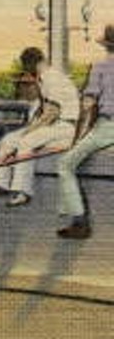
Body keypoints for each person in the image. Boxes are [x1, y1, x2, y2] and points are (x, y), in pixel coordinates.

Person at [0, 47, 79, 207]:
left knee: (26, 142)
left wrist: (28, 132)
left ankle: (22, 191)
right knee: (8, 139)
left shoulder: (53, 78)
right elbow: (42, 114)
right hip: (52, 127)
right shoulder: (43, 79)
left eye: (27, 66)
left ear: (33, 63)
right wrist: (26, 131)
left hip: (65, 127)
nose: (27, 70)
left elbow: (52, 113)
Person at [56, 26, 114, 238]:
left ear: (106, 45)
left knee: (65, 165)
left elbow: (88, 105)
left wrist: (76, 138)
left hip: (108, 128)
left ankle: (79, 222)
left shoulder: (100, 67)